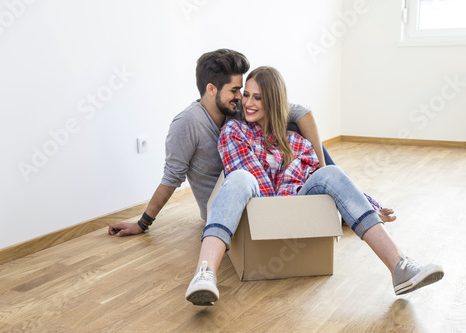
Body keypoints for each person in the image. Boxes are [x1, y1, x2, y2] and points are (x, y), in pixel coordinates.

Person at [184, 66, 444, 306]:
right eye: (247, 96)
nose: (248, 103)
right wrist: (294, 174)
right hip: (259, 210)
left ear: (273, 101)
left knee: (331, 170)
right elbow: (263, 195)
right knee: (240, 178)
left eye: (258, 98)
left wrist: (370, 205)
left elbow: (324, 179)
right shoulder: (234, 132)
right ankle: (204, 273)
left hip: (296, 208)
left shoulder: (295, 141)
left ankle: (399, 267)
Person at [108, 49, 394, 237]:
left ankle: (351, 199)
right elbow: (171, 177)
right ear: (211, 89)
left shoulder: (237, 111)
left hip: (263, 187)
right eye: (236, 91)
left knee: (291, 131)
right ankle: (343, 205)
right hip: (232, 200)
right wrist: (142, 223)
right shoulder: (188, 124)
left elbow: (297, 111)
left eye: (244, 92)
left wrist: (320, 166)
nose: (241, 98)